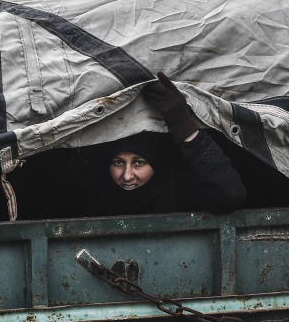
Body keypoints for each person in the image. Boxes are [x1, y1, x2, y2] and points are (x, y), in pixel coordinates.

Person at [83, 72, 248, 217]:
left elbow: (230, 194)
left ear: (156, 163)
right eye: (118, 162)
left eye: (138, 163)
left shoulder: (176, 192)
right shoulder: (95, 195)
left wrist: (183, 125)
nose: (127, 176)